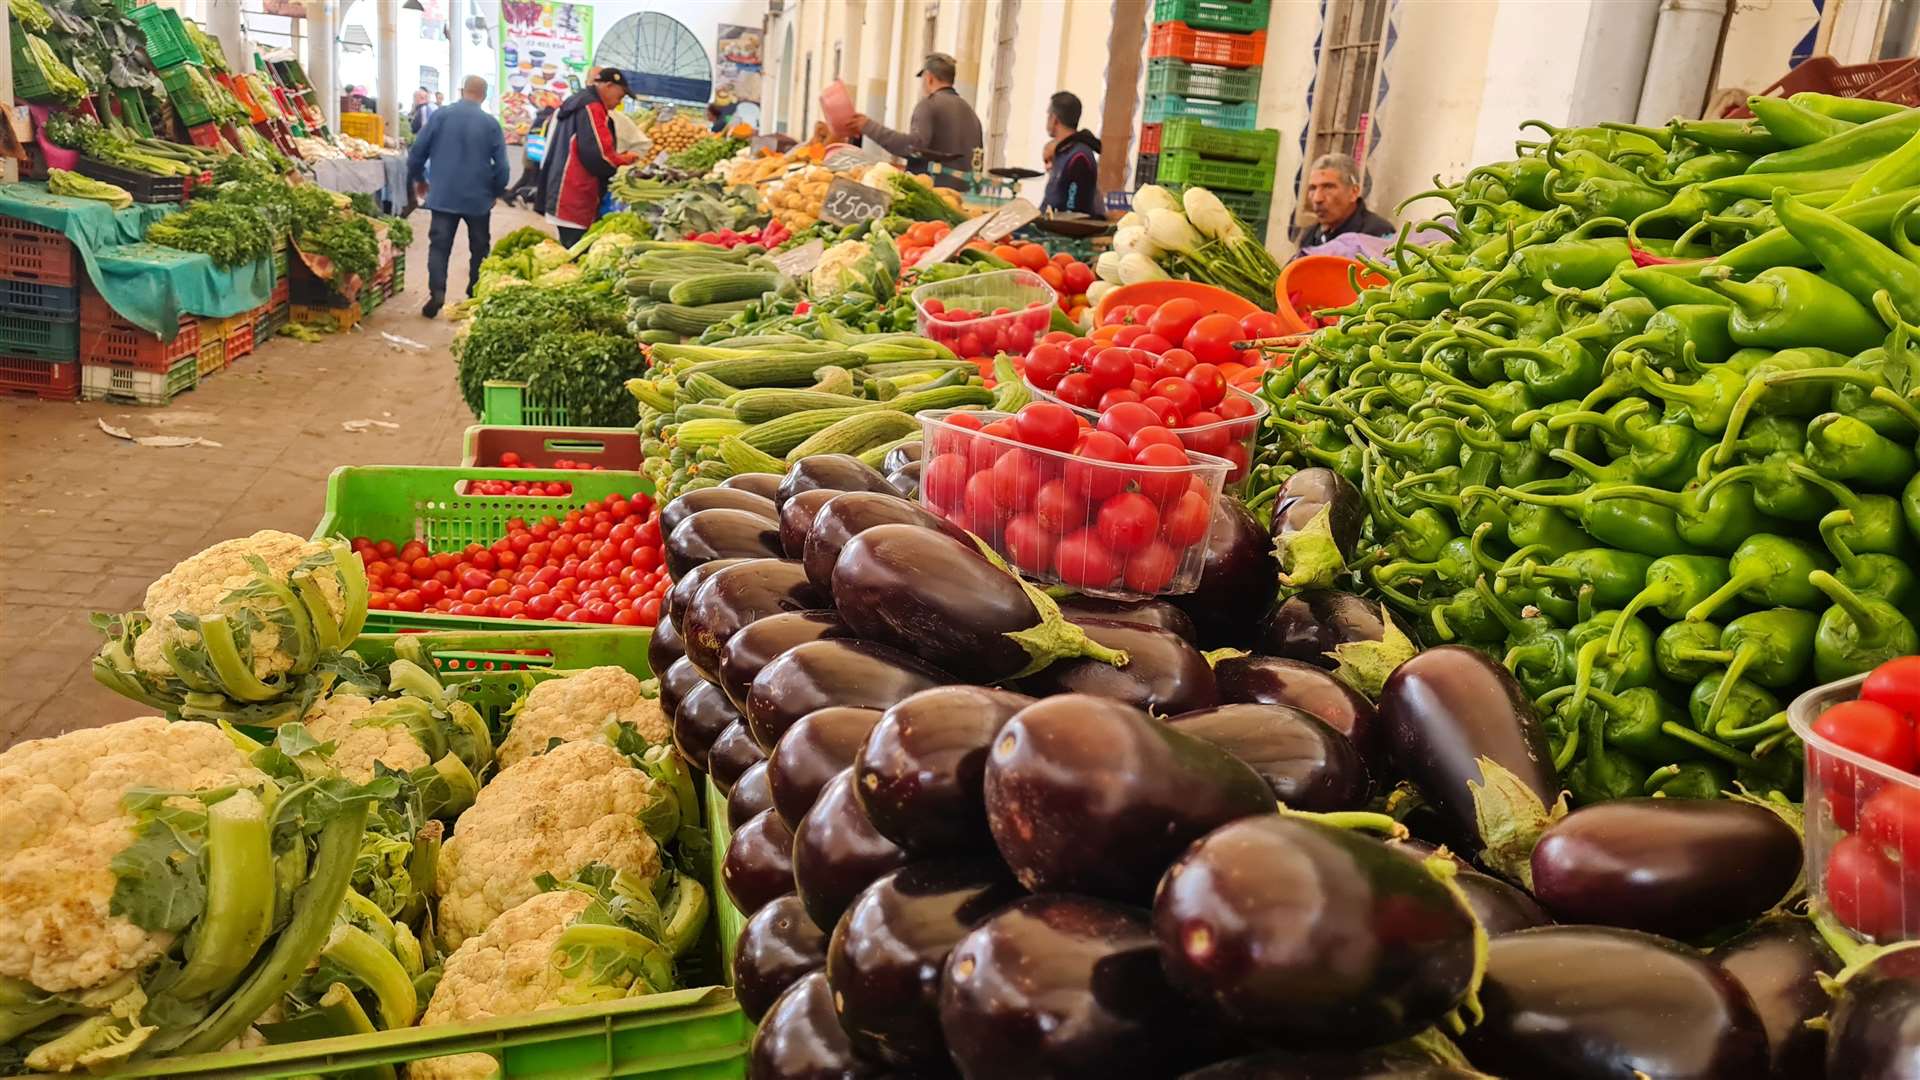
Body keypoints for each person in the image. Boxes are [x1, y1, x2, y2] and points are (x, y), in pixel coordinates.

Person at [407, 75, 510, 318]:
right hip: (478, 199)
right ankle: (473, 295)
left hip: (443, 195)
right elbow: (503, 167)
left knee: (439, 247)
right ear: (484, 96)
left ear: (463, 90)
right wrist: (495, 191)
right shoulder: (490, 123)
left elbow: (417, 151)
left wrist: (419, 179)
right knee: (480, 248)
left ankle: (437, 293)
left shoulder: (440, 116)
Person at [538, 67, 639, 247]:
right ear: (608, 86)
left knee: (569, 248)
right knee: (575, 253)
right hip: (576, 194)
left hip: (563, 192)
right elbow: (599, 156)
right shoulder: (592, 107)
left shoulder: (575, 102)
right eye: (620, 96)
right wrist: (625, 159)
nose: (619, 102)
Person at [850, 53, 982, 190]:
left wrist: (868, 126)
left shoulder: (929, 105)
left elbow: (913, 146)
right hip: (964, 198)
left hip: (933, 194)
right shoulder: (971, 113)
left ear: (929, 78)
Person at [1295, 154, 1394, 249]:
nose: (1317, 198)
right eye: (1312, 188)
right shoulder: (1310, 236)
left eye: (1328, 187)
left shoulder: (1377, 234)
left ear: (1354, 192)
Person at [1039, 91, 1099, 215]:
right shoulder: (1063, 153)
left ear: (1054, 119)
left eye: (1048, 115)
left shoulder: (1079, 157)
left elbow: (1073, 212)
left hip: (1062, 231)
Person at [503, 104, 555, 207]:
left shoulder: (538, 120)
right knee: (530, 179)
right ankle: (518, 195)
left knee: (527, 178)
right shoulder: (546, 122)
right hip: (536, 155)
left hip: (529, 152)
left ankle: (512, 195)